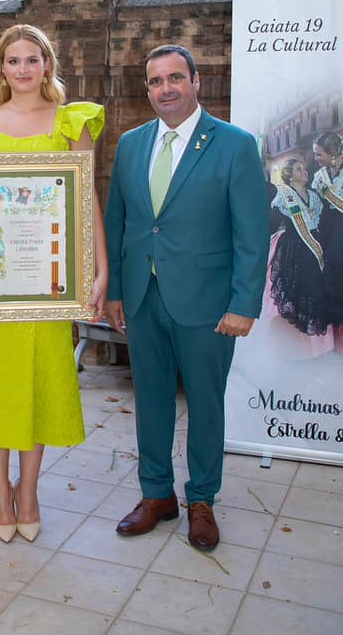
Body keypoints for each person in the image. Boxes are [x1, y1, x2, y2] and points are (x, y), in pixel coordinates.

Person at [0, 24, 107, 543]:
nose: (24, 69)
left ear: (47, 64)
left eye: (33, 59)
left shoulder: (72, 121)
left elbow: (86, 199)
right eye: (14, 60)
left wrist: (101, 270)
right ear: (1, 68)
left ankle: (28, 491)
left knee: (37, 385)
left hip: (48, 282)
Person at [104, 44, 268, 552]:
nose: (166, 89)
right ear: (147, 89)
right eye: (156, 81)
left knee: (205, 403)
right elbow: (118, 222)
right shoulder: (131, 144)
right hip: (142, 296)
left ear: (197, 81)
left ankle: (201, 500)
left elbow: (252, 232)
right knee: (150, 401)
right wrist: (114, 292)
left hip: (208, 302)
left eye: (176, 77)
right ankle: (157, 495)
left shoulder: (235, 145)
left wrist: (244, 303)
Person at [258, 157, 332, 359]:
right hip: (295, 251)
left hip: (315, 248)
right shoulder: (282, 196)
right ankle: (298, 347)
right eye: (299, 169)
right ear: (290, 176)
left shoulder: (314, 196)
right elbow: (272, 222)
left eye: (304, 169)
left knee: (317, 292)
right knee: (299, 293)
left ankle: (317, 347)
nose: (304, 172)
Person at [312, 132, 343, 332]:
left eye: (319, 154)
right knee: (328, 265)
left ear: (332, 153)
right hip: (328, 224)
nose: (316, 158)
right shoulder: (319, 175)